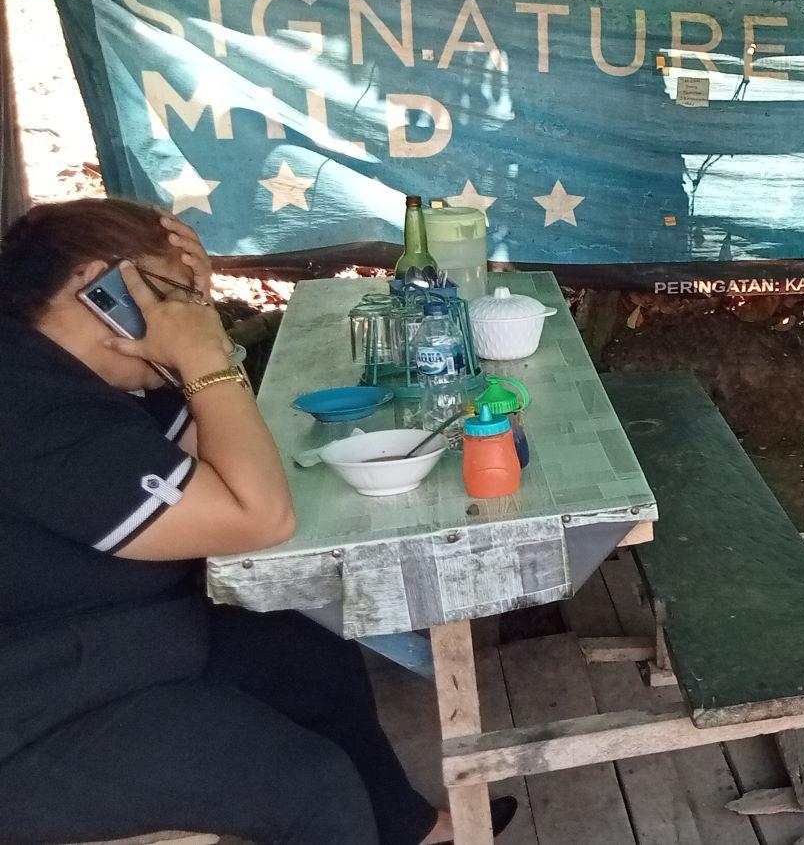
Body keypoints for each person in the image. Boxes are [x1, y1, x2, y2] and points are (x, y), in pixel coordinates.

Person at [0, 200, 509, 844]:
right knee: (308, 788)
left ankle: (404, 827)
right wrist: (203, 356)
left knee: (302, 646)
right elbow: (259, 515)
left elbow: (222, 459)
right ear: (96, 283)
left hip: (116, 643)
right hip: (39, 712)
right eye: (170, 294)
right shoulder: (29, 406)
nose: (187, 314)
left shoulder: (75, 375)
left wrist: (197, 345)